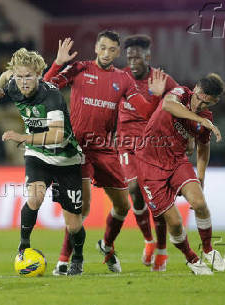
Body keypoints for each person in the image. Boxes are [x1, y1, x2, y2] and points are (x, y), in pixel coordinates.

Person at [42, 31, 167, 275]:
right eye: (103, 48)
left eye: (112, 49)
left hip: (106, 150)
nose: (107, 53)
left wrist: (156, 95)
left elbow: (145, 111)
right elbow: (47, 86)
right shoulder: (79, 68)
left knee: (123, 206)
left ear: (117, 52)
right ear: (96, 48)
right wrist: (58, 62)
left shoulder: (123, 79)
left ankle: (107, 247)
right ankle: (65, 261)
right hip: (77, 148)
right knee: (82, 208)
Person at [0, 48, 86, 276]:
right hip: (38, 155)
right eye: (19, 76)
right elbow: (6, 76)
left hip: (66, 158)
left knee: (73, 223)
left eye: (28, 76)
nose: (23, 82)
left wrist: (22, 137)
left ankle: (79, 258)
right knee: (35, 197)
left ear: (38, 75)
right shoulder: (13, 82)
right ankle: (24, 245)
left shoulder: (51, 96)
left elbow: (56, 136)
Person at [135, 73, 225, 275]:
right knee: (176, 223)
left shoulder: (206, 119)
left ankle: (208, 250)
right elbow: (169, 105)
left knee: (200, 203)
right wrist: (199, 120)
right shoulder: (179, 93)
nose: (200, 107)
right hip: (148, 164)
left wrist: (201, 177)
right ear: (195, 89)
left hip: (177, 161)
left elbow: (203, 148)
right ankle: (192, 259)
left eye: (207, 105)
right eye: (199, 100)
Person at [117, 34, 179, 271]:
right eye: (129, 57)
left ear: (148, 56)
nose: (133, 61)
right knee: (133, 189)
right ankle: (148, 241)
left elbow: (182, 101)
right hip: (126, 144)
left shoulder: (162, 80)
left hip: (153, 147)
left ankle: (162, 251)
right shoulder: (120, 78)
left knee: (156, 202)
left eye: (137, 57)